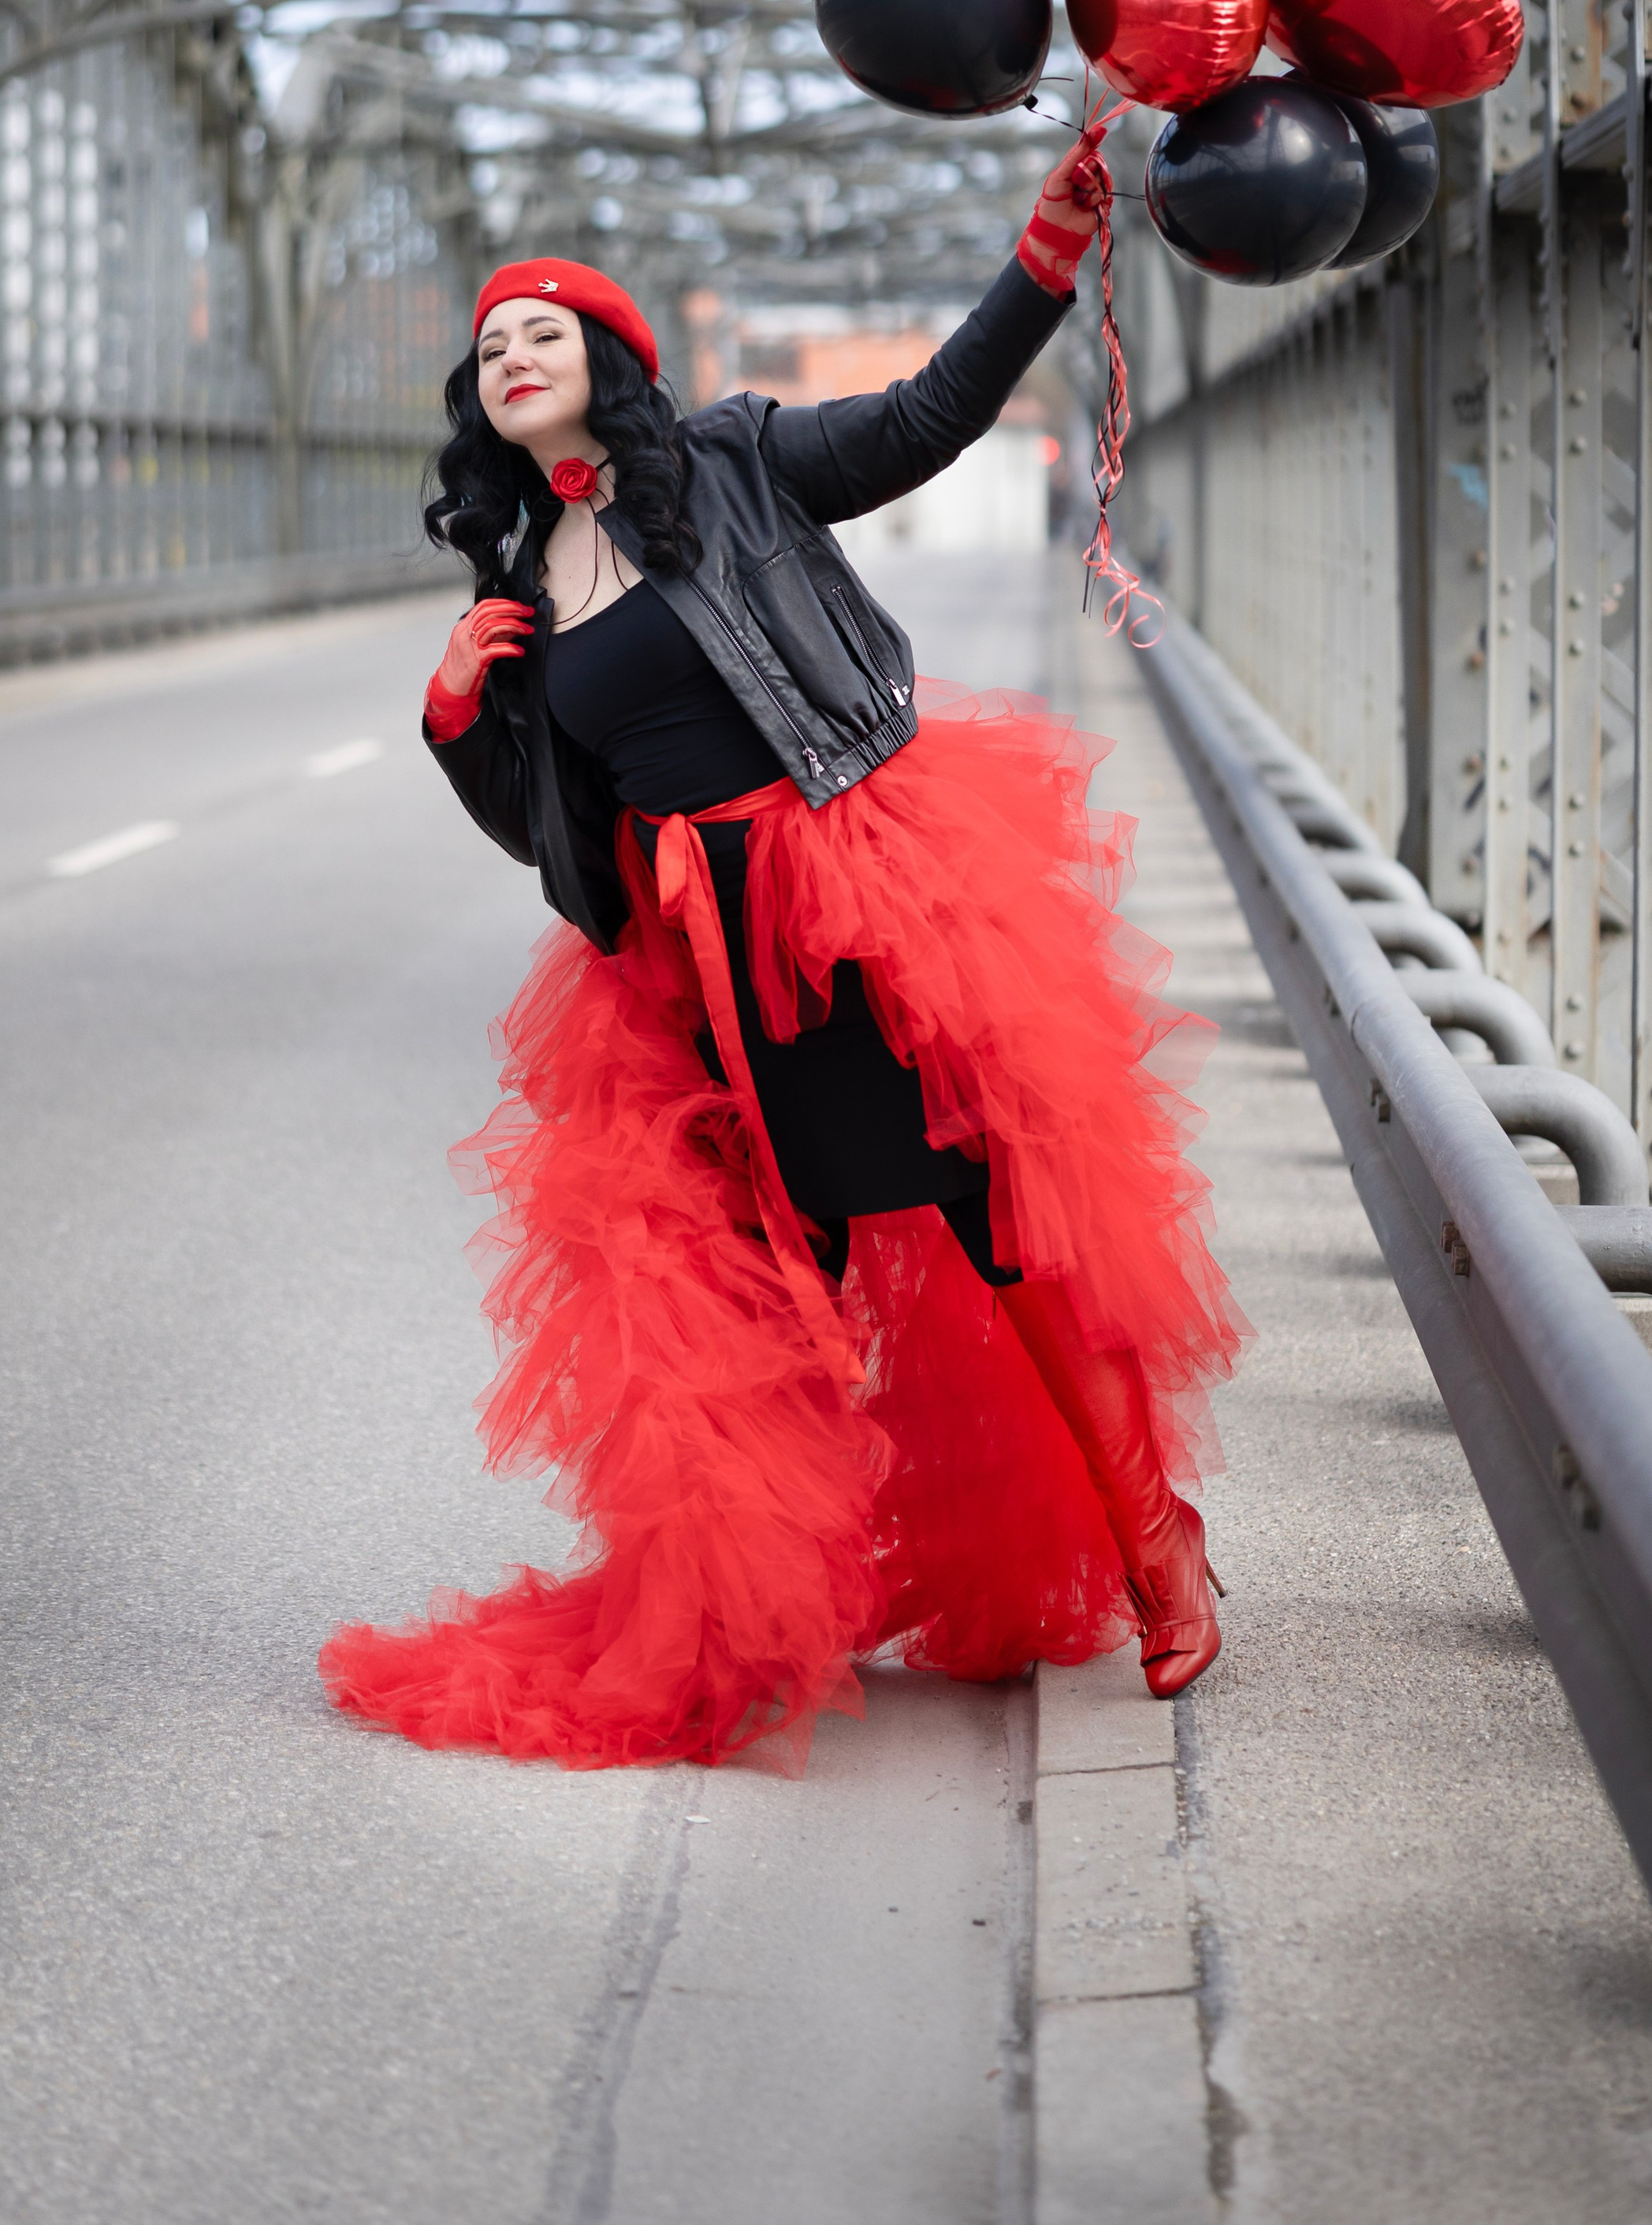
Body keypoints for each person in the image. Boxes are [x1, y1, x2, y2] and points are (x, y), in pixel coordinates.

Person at [320, 126, 1245, 1772]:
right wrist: (458, 714)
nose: (512, 353)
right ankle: (773, 1607)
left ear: (610, 360)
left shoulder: (735, 461)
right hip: (693, 952)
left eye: (542, 329)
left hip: (852, 879)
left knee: (989, 1206)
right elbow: (557, 843)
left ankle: (1151, 1537)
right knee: (769, 1273)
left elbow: (923, 421)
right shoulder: (526, 578)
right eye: (487, 348)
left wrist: (1039, 263)